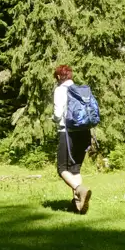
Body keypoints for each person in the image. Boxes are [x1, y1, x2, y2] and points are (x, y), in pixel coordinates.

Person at [53, 64, 92, 214]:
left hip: (67, 132)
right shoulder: (79, 90)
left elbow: (57, 115)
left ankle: (79, 190)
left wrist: (54, 119)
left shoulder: (60, 90)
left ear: (58, 77)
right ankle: (78, 206)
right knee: (75, 168)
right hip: (84, 132)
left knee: (62, 168)